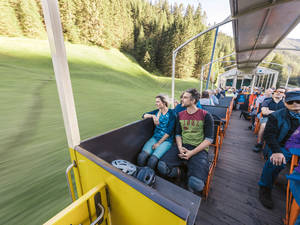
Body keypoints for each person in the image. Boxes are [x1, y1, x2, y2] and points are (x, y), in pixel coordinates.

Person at [157, 88, 214, 194]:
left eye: (185, 97)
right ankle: (181, 173)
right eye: (182, 97)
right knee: (161, 167)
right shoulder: (180, 115)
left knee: (196, 184)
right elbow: (178, 134)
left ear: (193, 101)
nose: (181, 99)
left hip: (198, 149)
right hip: (182, 146)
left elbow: (209, 139)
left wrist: (192, 153)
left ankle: (190, 178)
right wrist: (179, 147)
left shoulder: (206, 115)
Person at [258, 90, 300, 209]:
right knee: (275, 161)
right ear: (286, 103)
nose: (296, 104)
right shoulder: (276, 116)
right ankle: (265, 187)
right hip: (282, 145)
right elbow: (269, 135)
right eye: (292, 101)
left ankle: (293, 187)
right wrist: (277, 151)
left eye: (299, 101)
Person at [137, 94, 175, 169]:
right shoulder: (156, 112)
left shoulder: (172, 114)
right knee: (142, 157)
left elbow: (169, 132)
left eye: (158, 102)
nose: (156, 103)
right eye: (156, 102)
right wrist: (153, 116)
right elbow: (144, 115)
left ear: (164, 103)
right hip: (155, 137)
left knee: (152, 160)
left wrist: (158, 143)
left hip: (166, 140)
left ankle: (148, 176)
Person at [253, 87, 286, 152]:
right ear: (274, 92)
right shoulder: (267, 101)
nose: (278, 93)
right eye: (277, 91)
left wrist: (270, 111)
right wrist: (279, 112)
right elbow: (264, 112)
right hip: (268, 118)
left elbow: (286, 114)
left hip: (281, 119)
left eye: (281, 92)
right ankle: (259, 143)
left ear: (284, 95)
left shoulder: (285, 104)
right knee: (263, 126)